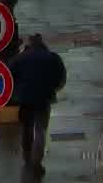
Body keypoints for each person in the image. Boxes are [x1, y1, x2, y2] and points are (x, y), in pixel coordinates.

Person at [10, 33, 67, 174]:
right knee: (40, 130)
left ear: (30, 44)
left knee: (26, 129)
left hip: (25, 99)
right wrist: (52, 89)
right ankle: (37, 162)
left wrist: (17, 92)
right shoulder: (52, 58)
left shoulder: (20, 58)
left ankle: (27, 158)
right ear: (42, 43)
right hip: (44, 99)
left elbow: (9, 75)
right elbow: (61, 77)